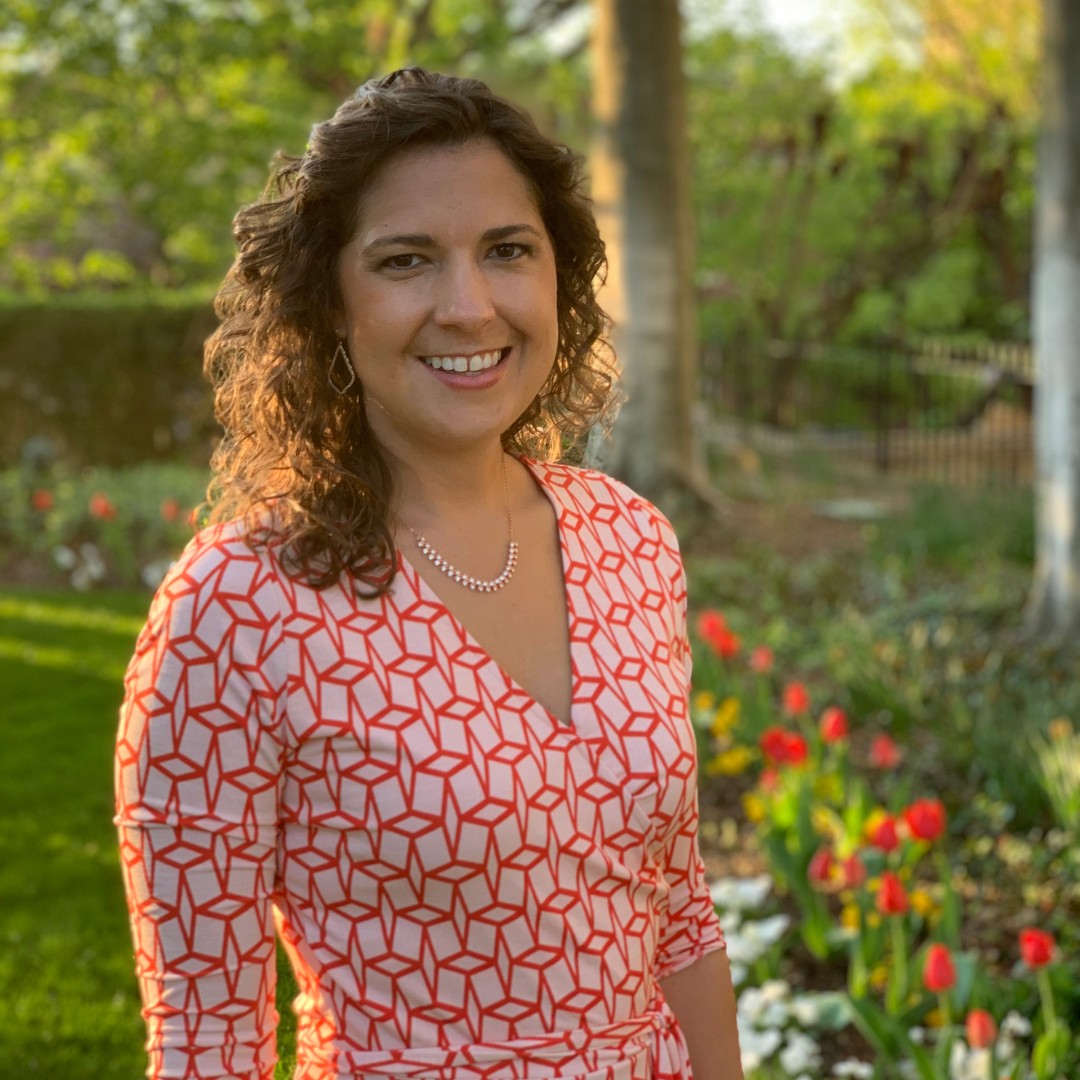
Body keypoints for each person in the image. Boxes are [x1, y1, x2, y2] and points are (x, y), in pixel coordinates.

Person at [115, 68, 743, 1080]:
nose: (468, 305)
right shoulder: (235, 607)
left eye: (508, 251)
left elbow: (677, 916)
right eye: (407, 261)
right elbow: (209, 1045)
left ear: (559, 279)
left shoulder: (628, 538)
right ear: (328, 304)